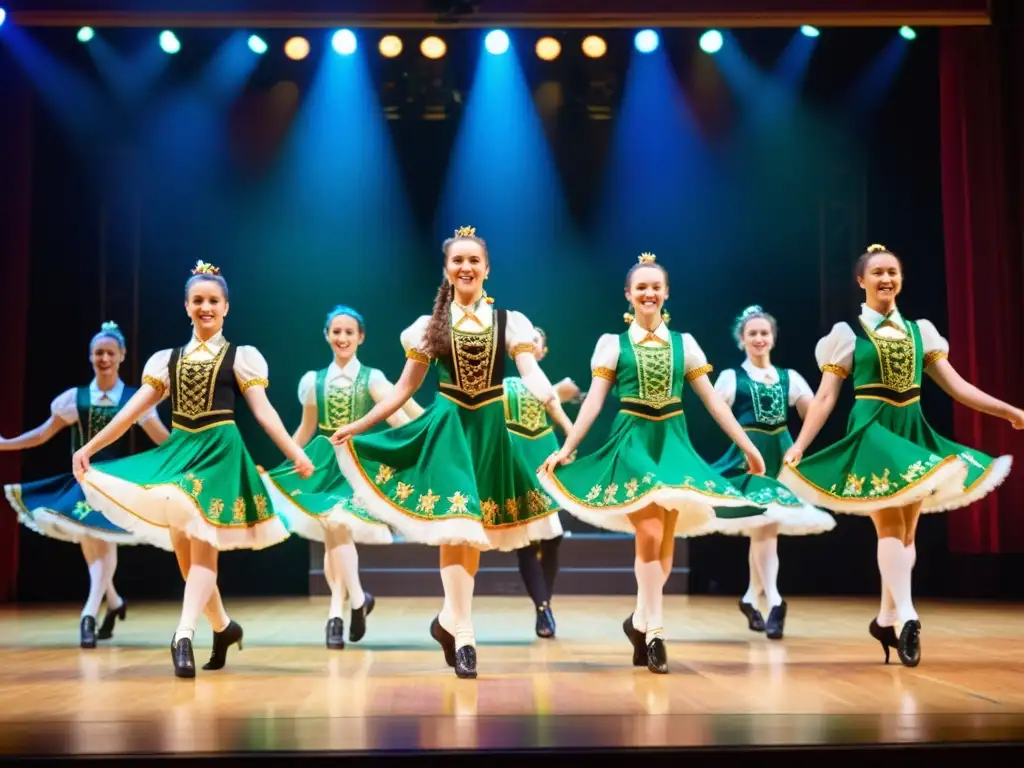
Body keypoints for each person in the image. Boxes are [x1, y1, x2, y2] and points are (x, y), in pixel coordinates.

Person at [329, 226, 573, 679]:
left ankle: (448, 621)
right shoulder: (429, 327)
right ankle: (464, 632)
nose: (466, 267)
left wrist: (568, 427)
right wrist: (359, 425)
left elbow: (535, 378)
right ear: (447, 270)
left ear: (486, 268)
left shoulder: (509, 322)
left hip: (490, 436)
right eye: (457, 260)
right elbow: (404, 389)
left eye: (473, 260)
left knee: (471, 535)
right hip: (449, 433)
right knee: (457, 528)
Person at [779, 244, 1022, 666]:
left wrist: (1010, 412)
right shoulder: (847, 334)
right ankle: (908, 617)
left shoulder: (920, 331)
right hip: (872, 433)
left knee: (907, 532)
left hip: (911, 432)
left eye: (892, 272)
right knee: (891, 524)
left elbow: (957, 386)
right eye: (877, 273)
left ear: (902, 278)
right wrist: (800, 445)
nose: (886, 279)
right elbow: (824, 397)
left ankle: (886, 616)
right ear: (861, 281)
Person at [72, 261, 314, 677]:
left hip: (221, 453)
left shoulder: (242, 357)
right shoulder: (167, 360)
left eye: (213, 301)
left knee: (203, 541)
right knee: (186, 548)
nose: (206, 307)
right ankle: (222, 626)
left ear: (226, 307)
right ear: (186, 306)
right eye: (198, 300)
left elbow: (264, 413)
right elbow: (131, 412)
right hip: (182, 452)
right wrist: (91, 447)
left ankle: (183, 634)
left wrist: (295, 452)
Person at [538, 252, 769, 674]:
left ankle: (640, 621)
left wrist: (747, 445)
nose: (648, 292)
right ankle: (657, 630)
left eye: (655, 286)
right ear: (628, 295)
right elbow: (592, 402)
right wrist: (568, 447)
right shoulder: (612, 344)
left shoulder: (686, 344)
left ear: (666, 293)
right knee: (646, 529)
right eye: (640, 287)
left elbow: (713, 402)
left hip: (672, 442)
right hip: (633, 442)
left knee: (665, 540)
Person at [262, 304, 424, 649]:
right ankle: (351, 604)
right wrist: (287, 460)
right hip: (323, 466)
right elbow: (306, 430)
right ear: (327, 335)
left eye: (349, 332)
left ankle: (341, 609)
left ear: (360, 337)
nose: (342, 337)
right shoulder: (313, 381)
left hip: (357, 466)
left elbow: (395, 417)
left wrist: (417, 444)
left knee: (337, 527)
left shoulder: (373, 378)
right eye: (336, 331)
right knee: (333, 529)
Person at [2, 322, 170, 648]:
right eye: (98, 353)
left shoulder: (134, 399)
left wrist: (197, 451)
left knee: (101, 544)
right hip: (82, 484)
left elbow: (163, 440)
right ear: (91, 356)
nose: (104, 358)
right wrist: (5, 444)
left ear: (122, 356)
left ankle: (89, 614)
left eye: (110, 352)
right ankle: (114, 602)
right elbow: (41, 434)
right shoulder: (74, 399)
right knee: (95, 543)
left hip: (114, 486)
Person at [691, 306, 835, 640]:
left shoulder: (790, 378)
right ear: (741, 340)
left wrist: (798, 446)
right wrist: (742, 443)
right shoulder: (731, 378)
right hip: (748, 460)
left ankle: (751, 598)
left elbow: (815, 413)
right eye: (752, 334)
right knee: (764, 527)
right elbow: (715, 411)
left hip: (781, 459)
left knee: (765, 528)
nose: (759, 339)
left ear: (773, 338)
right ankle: (773, 600)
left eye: (764, 333)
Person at [504, 326, 580, 639]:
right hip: (515, 461)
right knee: (527, 540)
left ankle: (543, 605)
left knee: (552, 537)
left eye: (537, 338)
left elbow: (558, 413)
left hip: (543, 459)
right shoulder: (504, 383)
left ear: (542, 351)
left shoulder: (543, 383)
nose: (530, 341)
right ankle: (542, 609)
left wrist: (570, 443)